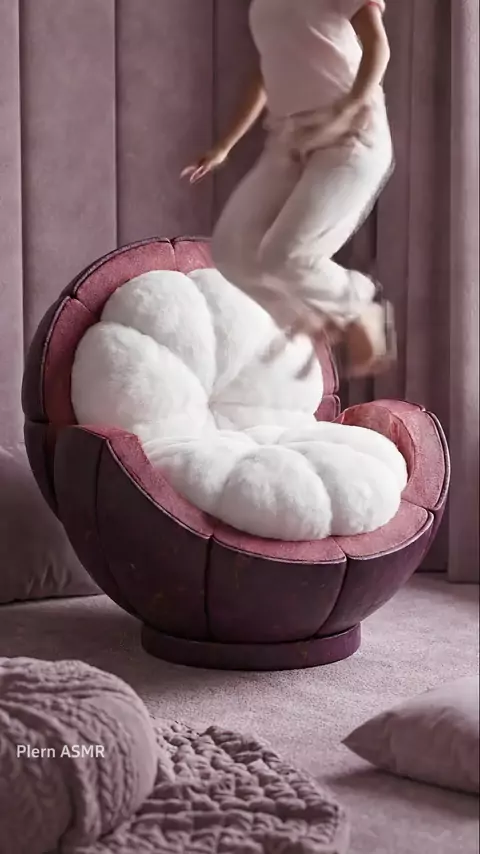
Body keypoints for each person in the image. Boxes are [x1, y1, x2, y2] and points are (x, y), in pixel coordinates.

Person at [182, 0, 395, 378]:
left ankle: (361, 305)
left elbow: (378, 47)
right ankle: (311, 320)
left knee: (285, 256)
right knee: (232, 252)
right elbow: (265, 73)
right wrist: (225, 145)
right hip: (291, 138)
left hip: (351, 134)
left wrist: (347, 110)